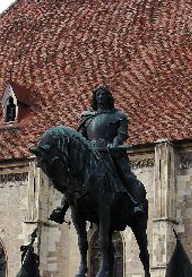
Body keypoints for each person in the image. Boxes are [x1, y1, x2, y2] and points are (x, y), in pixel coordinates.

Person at [49, 85, 145, 224]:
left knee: (127, 176)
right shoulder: (87, 118)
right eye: (98, 94)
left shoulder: (118, 115)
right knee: (73, 177)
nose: (100, 97)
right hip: (91, 153)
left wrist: (115, 143)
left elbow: (122, 133)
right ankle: (62, 208)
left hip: (110, 152)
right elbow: (79, 137)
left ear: (108, 97)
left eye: (103, 94)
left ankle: (137, 205)